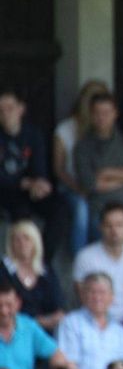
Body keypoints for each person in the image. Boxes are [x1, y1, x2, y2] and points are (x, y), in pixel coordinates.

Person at [73, 92, 123, 255]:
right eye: (97, 113)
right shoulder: (83, 147)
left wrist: (107, 173)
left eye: (106, 112)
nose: (101, 117)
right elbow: (91, 184)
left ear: (115, 114)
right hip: (101, 212)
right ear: (91, 114)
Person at [0, 88, 61, 260]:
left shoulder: (33, 134)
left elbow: (39, 167)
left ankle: (43, 261)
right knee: (22, 212)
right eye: (1, 110)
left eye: (9, 108)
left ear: (21, 109)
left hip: (31, 190)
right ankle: (21, 262)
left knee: (60, 209)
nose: (5, 114)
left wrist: (40, 183)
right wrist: (23, 183)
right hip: (7, 193)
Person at [53, 80, 109, 257]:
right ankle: (80, 258)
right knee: (82, 209)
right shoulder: (65, 129)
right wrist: (79, 188)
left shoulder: (105, 130)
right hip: (70, 186)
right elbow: (59, 169)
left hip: (98, 186)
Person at [73, 203, 123, 324]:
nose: (114, 231)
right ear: (100, 227)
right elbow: (84, 300)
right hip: (93, 320)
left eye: (119, 225)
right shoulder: (85, 257)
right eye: (108, 225)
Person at [0, 278, 67, 369]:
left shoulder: (28, 327)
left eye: (9, 305)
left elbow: (58, 356)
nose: (4, 311)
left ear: (18, 303)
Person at [1, 219, 65, 334]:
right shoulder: (3, 270)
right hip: (11, 333)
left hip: (43, 335)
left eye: (26, 238)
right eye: (17, 240)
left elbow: (58, 311)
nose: (22, 244)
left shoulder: (47, 271)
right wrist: (38, 322)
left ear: (35, 242)